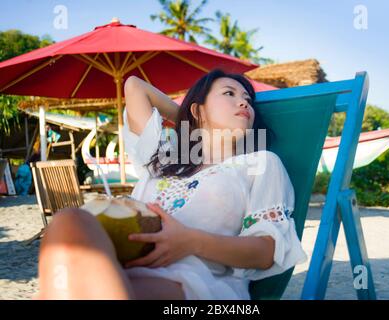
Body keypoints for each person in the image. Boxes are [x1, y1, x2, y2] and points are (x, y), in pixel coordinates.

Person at [37, 69, 307, 300]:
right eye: (229, 94)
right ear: (198, 109)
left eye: (248, 99)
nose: (244, 103)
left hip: (198, 282)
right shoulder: (164, 158)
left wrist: (190, 242)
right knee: (68, 220)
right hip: (124, 261)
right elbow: (134, 86)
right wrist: (191, 121)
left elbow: (267, 252)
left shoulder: (260, 163)